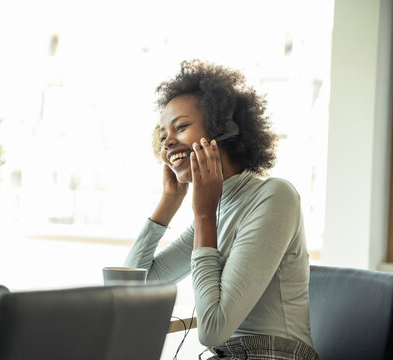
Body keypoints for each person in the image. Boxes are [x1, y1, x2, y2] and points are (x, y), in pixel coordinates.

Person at [124, 59, 319, 359]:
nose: (167, 143)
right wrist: (168, 204)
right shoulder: (213, 213)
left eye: (181, 127)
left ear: (222, 130)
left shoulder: (274, 197)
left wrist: (203, 214)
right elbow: (130, 291)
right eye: (163, 136)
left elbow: (213, 328)